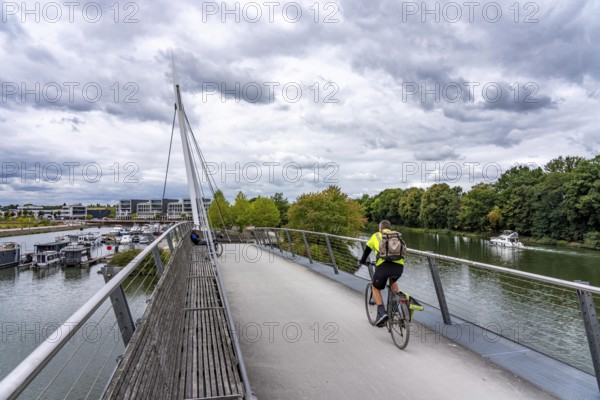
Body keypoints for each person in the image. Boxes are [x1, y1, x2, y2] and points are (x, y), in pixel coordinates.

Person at [359, 220, 405, 327]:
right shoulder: (396, 235)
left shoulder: (376, 235)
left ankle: (381, 313)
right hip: (399, 267)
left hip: (384, 266)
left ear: (380, 228)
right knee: (393, 280)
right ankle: (396, 309)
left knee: (375, 287)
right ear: (390, 228)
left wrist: (362, 261)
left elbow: (367, 250)